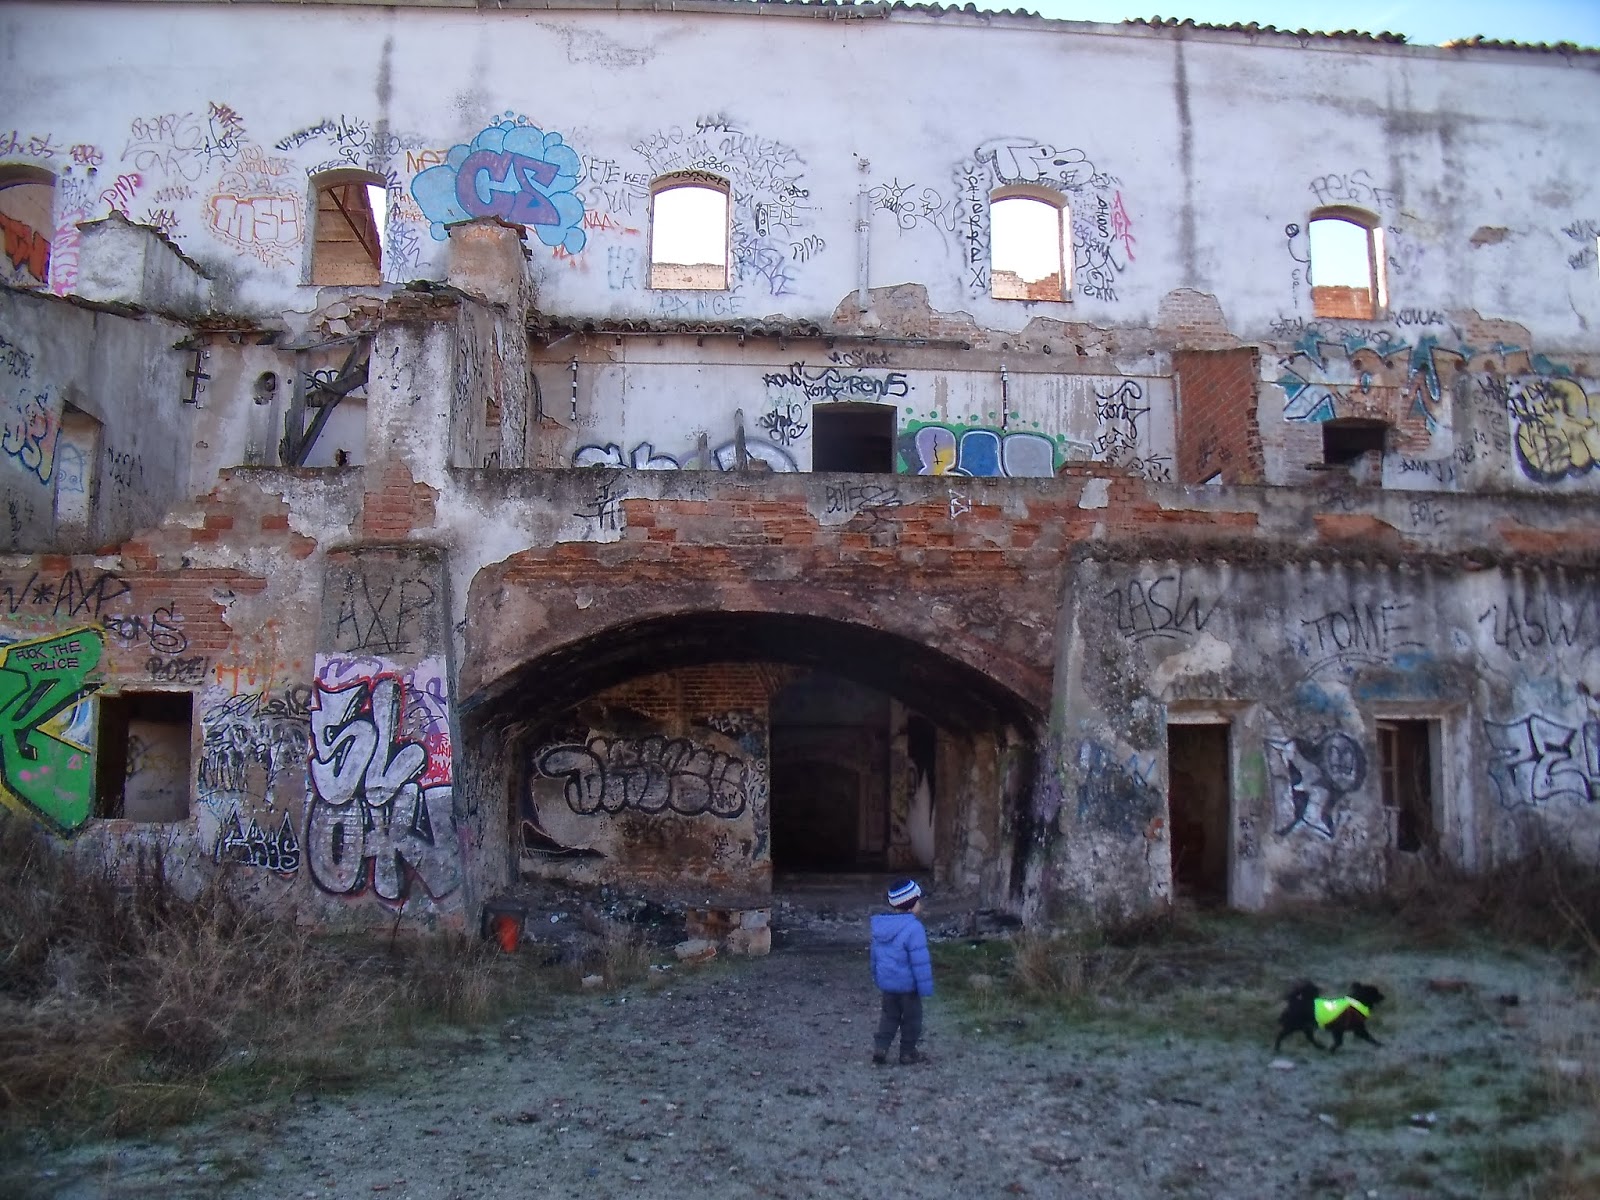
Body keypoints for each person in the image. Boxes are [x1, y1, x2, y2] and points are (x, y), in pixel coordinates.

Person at [869, 878, 934, 1065]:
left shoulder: (880, 928)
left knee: (888, 1017)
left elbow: (875, 956)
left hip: (888, 984)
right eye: (918, 900)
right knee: (912, 1019)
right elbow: (919, 962)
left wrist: (877, 976)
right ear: (912, 905)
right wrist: (925, 988)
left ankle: (881, 1048)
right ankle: (907, 1052)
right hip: (908, 987)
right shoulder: (914, 928)